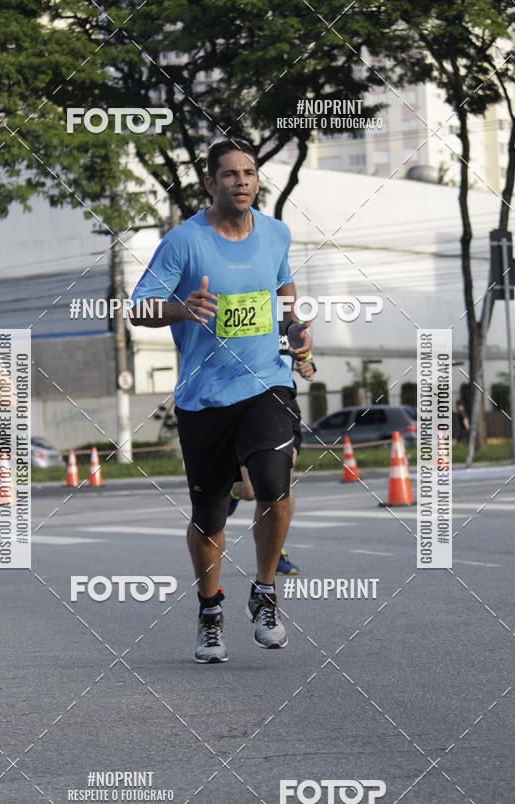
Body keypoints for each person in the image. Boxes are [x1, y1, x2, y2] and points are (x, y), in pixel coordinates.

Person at [129, 137, 311, 663]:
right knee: (210, 517)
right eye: (230, 174)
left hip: (267, 384)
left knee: (274, 485)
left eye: (249, 172)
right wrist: (181, 309)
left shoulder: (277, 234)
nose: (242, 181)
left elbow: (285, 296)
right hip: (204, 397)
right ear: (210, 183)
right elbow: (137, 309)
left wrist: (296, 333)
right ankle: (210, 611)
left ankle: (266, 591)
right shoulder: (184, 242)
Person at [227, 348, 317, 576]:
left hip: (281, 405)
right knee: (248, 490)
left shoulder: (286, 316)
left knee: (280, 484)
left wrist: (307, 362)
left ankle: (276, 554)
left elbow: (301, 347)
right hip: (242, 403)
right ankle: (233, 491)